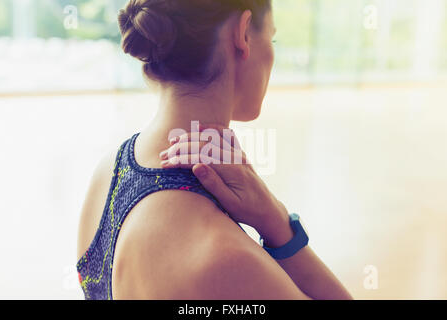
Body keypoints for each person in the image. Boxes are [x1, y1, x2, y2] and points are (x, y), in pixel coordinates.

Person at [77, 0, 352, 300]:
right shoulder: (226, 260)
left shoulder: (109, 172)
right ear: (243, 34)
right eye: (271, 38)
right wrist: (278, 223)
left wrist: (268, 213)